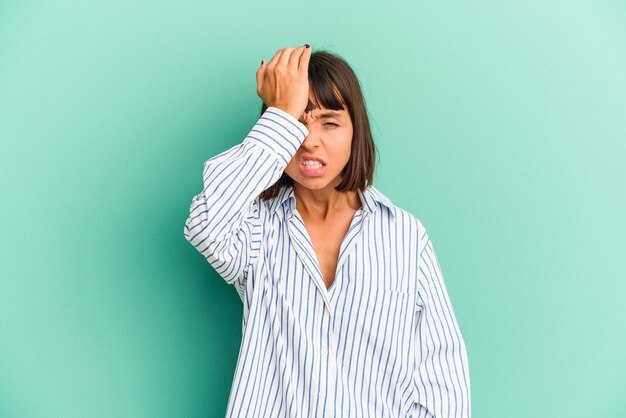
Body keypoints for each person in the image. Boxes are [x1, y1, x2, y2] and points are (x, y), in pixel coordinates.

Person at [184, 44, 471, 418]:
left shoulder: (405, 236)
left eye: (329, 122)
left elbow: (442, 375)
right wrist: (280, 114)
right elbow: (206, 223)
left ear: (356, 131)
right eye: (297, 123)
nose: (308, 140)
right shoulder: (254, 229)